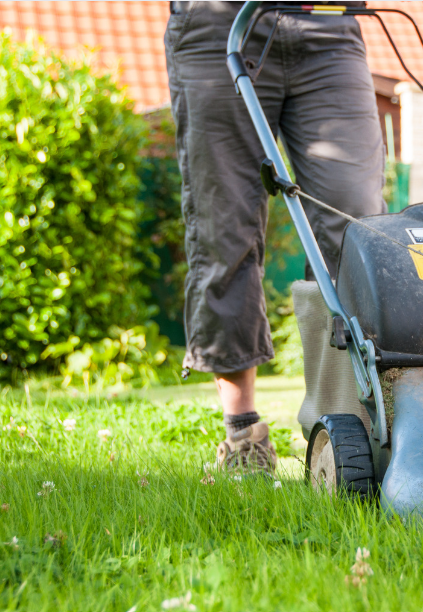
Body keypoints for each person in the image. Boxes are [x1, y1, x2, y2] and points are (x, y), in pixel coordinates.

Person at [164, 1, 386, 471]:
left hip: (328, 22)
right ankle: (243, 436)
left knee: (355, 227)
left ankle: (349, 432)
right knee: (225, 228)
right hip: (220, 23)